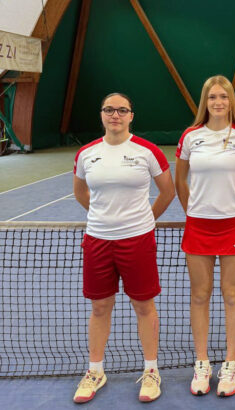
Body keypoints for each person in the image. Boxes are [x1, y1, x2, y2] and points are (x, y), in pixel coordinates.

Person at [72, 93, 175, 403]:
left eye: (121, 110)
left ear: (131, 115)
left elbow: (167, 192)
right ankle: (95, 371)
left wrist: (144, 220)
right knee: (99, 307)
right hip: (97, 241)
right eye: (109, 109)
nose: (114, 115)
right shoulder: (86, 154)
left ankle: (151, 370)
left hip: (138, 241)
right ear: (101, 114)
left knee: (143, 306)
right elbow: (80, 193)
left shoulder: (148, 151)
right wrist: (102, 217)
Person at [175, 75, 235, 397]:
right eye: (212, 97)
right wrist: (193, 210)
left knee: (231, 293)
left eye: (223, 97)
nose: (218, 102)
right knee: (200, 295)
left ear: (231, 101)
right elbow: (180, 180)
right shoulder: (190, 136)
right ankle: (202, 364)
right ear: (205, 102)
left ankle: (230, 364)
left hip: (234, 226)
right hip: (199, 226)